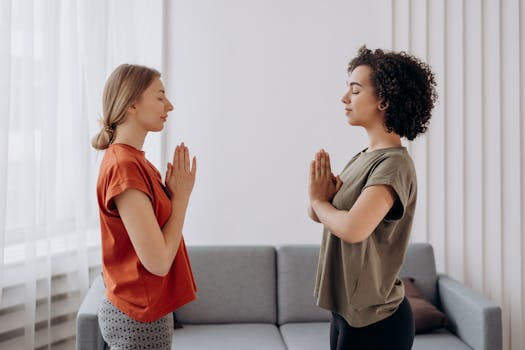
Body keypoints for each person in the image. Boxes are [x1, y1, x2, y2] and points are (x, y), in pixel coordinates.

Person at [308, 46, 437, 350]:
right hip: (347, 313)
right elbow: (325, 215)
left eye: (355, 90)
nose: (344, 98)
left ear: (384, 100)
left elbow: (353, 228)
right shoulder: (365, 158)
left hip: (377, 321)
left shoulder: (394, 165)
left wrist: (318, 202)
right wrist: (319, 200)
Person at [91, 64, 197, 349]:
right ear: (132, 104)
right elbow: (159, 262)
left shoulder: (136, 162)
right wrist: (182, 198)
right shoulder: (125, 166)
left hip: (144, 312)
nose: (170, 105)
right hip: (137, 315)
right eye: (160, 96)